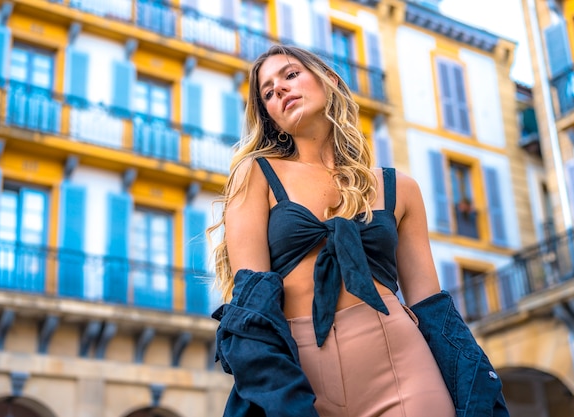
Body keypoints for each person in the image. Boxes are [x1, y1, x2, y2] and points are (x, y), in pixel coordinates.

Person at [209, 45, 508, 417]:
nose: (280, 90)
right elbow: (251, 305)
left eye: (289, 75)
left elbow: (431, 308)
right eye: (267, 92)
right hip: (299, 375)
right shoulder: (256, 174)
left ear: (329, 80)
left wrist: (478, 388)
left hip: (404, 369)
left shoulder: (400, 189)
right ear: (269, 117)